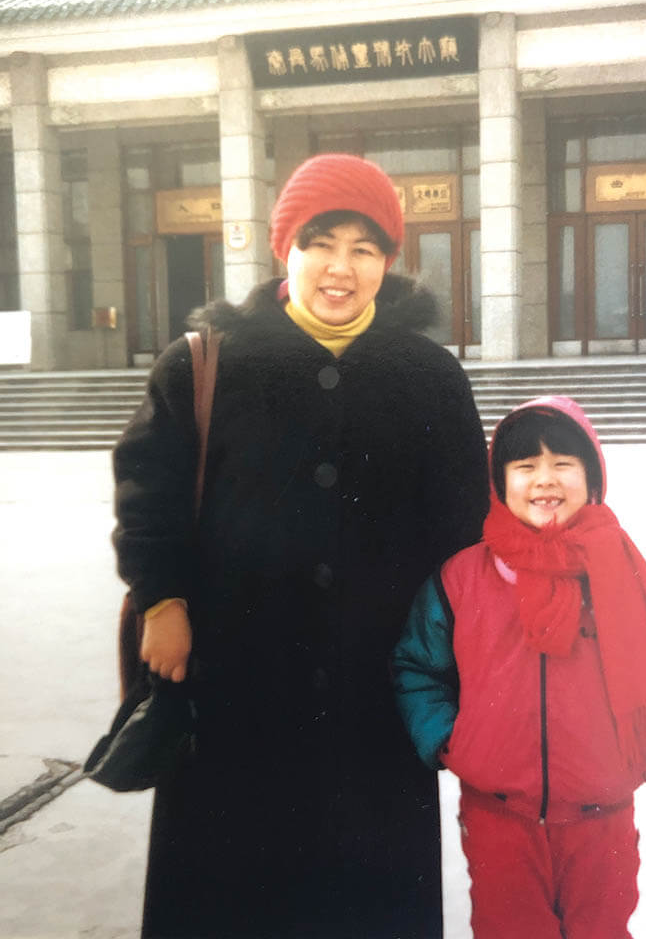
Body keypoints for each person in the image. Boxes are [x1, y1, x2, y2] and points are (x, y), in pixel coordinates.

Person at [111, 153, 490, 939]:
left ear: (388, 261)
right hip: (233, 678)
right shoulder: (204, 364)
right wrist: (163, 600)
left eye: (364, 248)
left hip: (378, 686)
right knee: (232, 893)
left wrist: (460, 656)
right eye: (321, 242)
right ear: (285, 246)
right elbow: (148, 494)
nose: (340, 268)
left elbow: (463, 526)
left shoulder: (428, 375)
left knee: (368, 897)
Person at [392, 395, 646, 939]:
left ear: (591, 478)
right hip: (499, 816)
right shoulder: (462, 579)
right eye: (525, 466)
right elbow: (417, 667)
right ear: (500, 483)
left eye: (563, 464)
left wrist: (643, 761)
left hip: (602, 820)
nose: (545, 479)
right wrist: (452, 741)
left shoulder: (629, 576)